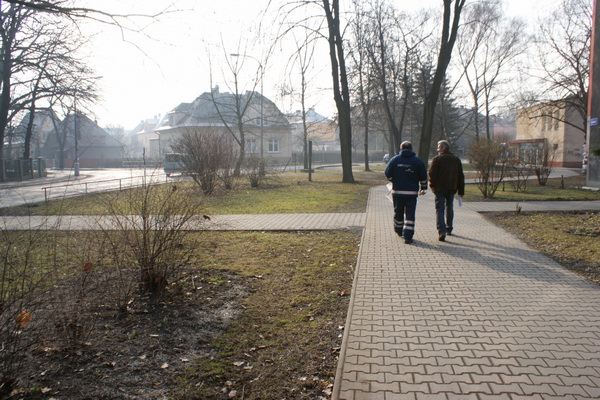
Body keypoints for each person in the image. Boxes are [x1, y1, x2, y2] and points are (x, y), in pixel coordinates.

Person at [385, 141, 428, 244]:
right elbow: (423, 176)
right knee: (410, 214)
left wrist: (393, 180)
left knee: (398, 211)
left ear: (401, 149)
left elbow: (387, 172)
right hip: (411, 193)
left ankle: (399, 230)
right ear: (411, 149)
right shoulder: (417, 161)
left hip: (398, 192)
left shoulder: (395, 160)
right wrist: (423, 187)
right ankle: (408, 236)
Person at [428, 140, 465, 242]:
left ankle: (441, 231)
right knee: (450, 208)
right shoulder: (456, 159)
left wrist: (432, 186)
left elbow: (431, 174)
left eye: (439, 147)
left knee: (439, 209)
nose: (437, 149)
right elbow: (460, 176)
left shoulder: (437, 159)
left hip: (439, 189)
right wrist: (461, 191)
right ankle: (449, 228)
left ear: (444, 148)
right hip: (452, 188)